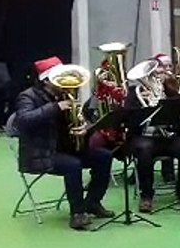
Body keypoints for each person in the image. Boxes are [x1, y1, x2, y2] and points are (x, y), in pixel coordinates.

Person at [12, 58, 115, 230]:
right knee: (72, 165)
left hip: (68, 147)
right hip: (41, 153)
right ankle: (77, 213)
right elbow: (23, 121)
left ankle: (93, 202)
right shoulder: (28, 96)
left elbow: (85, 119)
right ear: (46, 80)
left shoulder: (66, 93)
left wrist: (85, 128)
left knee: (104, 156)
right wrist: (55, 107)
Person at [125, 60, 180, 213]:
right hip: (143, 137)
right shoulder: (134, 94)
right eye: (152, 75)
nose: (156, 79)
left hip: (166, 137)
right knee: (145, 150)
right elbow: (128, 120)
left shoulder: (168, 90)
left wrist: (168, 95)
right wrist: (144, 107)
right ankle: (146, 196)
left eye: (159, 74)